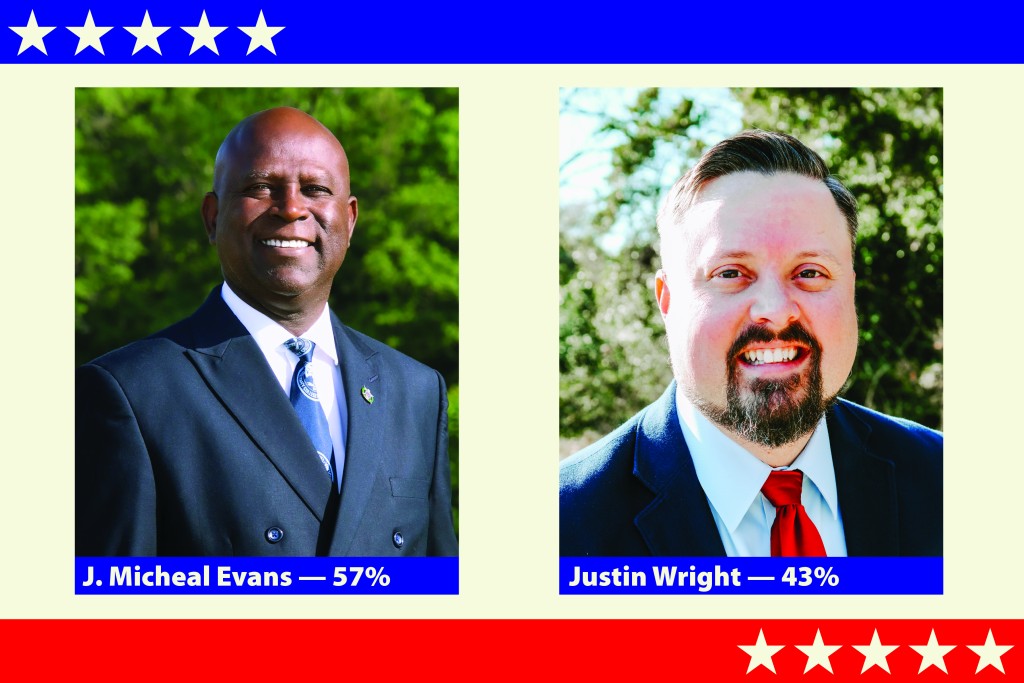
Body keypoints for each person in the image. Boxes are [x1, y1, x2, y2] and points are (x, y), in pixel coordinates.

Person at [76, 107, 458, 557]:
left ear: (350, 220)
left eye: (315, 189)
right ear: (212, 216)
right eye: (261, 188)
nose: (293, 208)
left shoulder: (415, 391)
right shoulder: (129, 393)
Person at [560, 130, 941, 557]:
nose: (776, 312)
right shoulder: (563, 528)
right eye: (730, 273)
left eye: (810, 272)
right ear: (667, 301)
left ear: (850, 289)